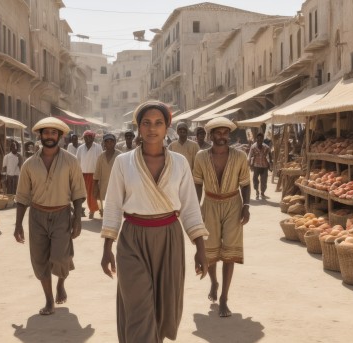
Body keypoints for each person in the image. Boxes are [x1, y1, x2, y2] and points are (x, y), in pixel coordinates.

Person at [100, 100, 209, 343]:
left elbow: (190, 206)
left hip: (169, 238)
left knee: (162, 309)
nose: (152, 128)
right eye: (146, 123)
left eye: (158, 123)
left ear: (167, 127)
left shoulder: (180, 163)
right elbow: (114, 205)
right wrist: (107, 248)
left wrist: (201, 249)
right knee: (139, 306)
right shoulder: (123, 162)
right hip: (132, 240)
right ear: (138, 127)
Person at [14, 117, 87, 316]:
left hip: (62, 214)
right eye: (46, 133)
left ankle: (61, 284)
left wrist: (78, 219)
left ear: (60, 136)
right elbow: (22, 196)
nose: (49, 136)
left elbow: (78, 192)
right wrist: (18, 224)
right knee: (40, 260)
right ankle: (48, 300)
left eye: (53, 133)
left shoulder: (71, 161)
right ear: (40, 136)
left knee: (61, 257)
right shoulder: (29, 164)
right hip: (37, 215)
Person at [193, 117, 250, 318]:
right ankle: (214, 282)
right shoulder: (200, 157)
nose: (222, 137)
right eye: (218, 133)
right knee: (210, 251)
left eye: (225, 133)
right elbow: (198, 184)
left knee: (230, 253)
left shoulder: (240, 156)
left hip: (233, 204)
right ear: (211, 135)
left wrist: (246, 206)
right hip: (209, 204)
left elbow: (245, 183)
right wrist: (195, 208)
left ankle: (224, 298)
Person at [93, 133, 121, 218]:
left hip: (117, 188)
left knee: (116, 211)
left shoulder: (120, 156)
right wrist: (95, 188)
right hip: (103, 188)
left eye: (111, 141)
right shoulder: (101, 157)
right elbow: (97, 174)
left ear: (115, 142)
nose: (109, 143)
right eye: (107, 141)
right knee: (104, 212)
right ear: (104, 143)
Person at [75, 130, 102, 219]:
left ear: (93, 137)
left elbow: (100, 161)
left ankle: (92, 210)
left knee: (92, 194)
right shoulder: (80, 148)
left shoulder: (98, 147)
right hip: (82, 174)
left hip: (94, 174)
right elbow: (77, 161)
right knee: (81, 194)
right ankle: (80, 210)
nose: (87, 139)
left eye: (89, 137)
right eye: (86, 137)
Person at [247, 132, 272, 200]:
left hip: (264, 166)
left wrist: (270, 164)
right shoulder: (253, 147)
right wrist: (249, 163)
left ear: (263, 140)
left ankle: (262, 193)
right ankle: (257, 192)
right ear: (256, 139)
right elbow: (250, 155)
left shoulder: (266, 147)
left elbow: (270, 156)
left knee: (264, 181)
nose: (259, 141)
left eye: (261, 140)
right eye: (258, 140)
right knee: (255, 180)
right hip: (256, 166)